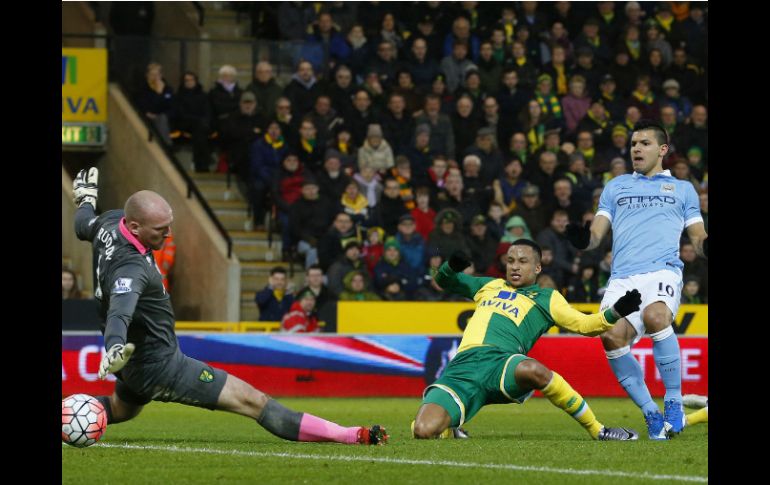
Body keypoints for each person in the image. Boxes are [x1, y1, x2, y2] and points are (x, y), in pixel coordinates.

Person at [71, 168, 388, 446]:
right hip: (161, 365)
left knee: (119, 409)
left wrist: (85, 199)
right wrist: (113, 344)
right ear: (136, 227)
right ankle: (351, 434)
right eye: (160, 229)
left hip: (134, 365)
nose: (168, 234)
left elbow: (83, 223)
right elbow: (120, 311)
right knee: (255, 401)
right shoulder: (131, 269)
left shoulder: (108, 224)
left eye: (169, 225)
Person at [411, 239, 641, 441]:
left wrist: (616, 312)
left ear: (537, 267)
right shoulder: (490, 286)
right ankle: (450, 430)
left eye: (522, 261)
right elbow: (443, 279)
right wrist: (451, 266)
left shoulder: (547, 298)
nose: (515, 266)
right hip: (463, 368)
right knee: (422, 430)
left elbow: (585, 325)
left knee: (533, 369)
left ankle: (598, 430)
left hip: (502, 364)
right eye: (510, 261)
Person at [565, 119, 708, 440]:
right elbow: (597, 234)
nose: (636, 149)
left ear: (662, 149)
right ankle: (651, 414)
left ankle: (673, 402)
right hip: (622, 278)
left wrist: (705, 245)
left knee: (656, 316)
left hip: (662, 270)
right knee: (611, 337)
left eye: (643, 143)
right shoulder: (616, 187)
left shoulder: (683, 190)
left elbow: (697, 236)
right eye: (633, 144)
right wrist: (582, 239)